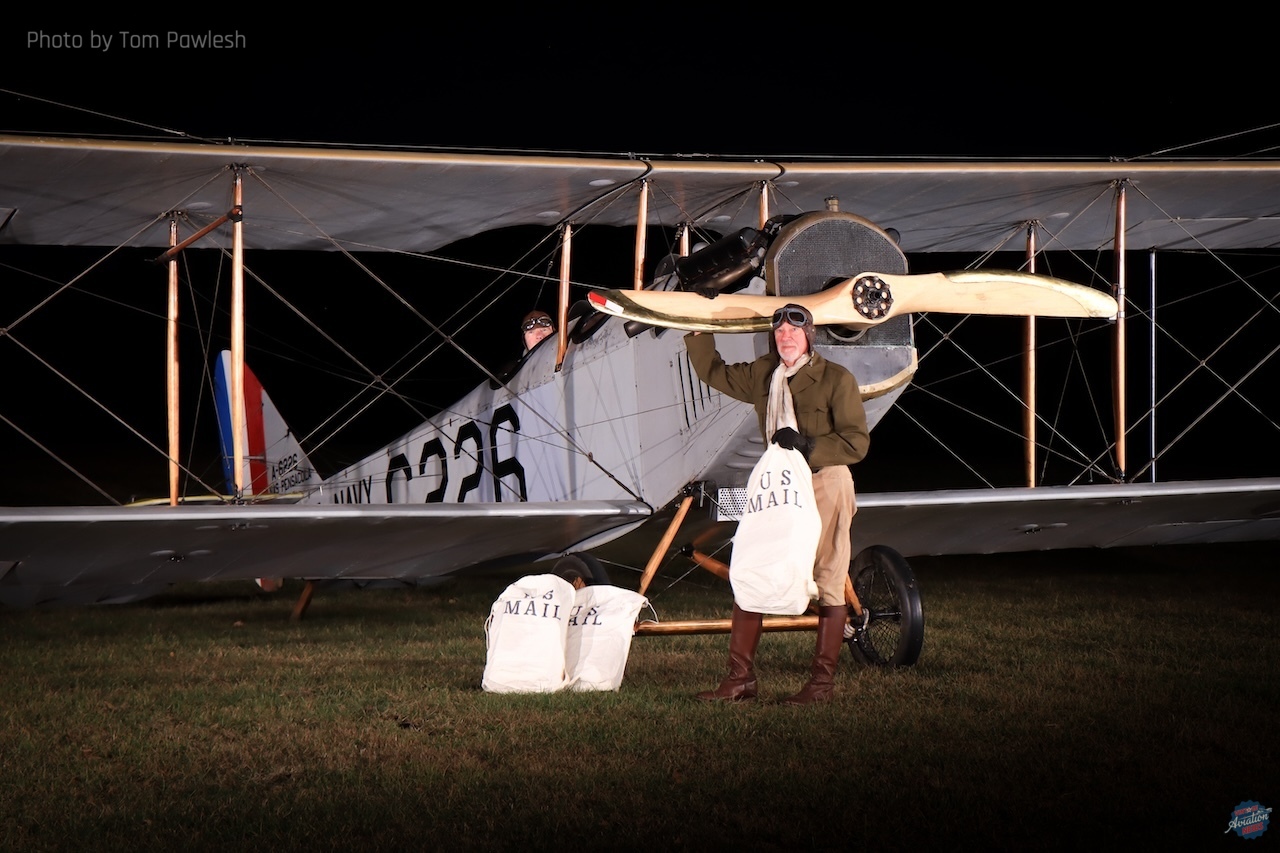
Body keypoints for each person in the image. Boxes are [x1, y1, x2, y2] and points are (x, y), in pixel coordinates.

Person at [684, 303, 869, 705]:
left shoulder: (836, 378)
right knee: (752, 566)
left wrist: (808, 446)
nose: (786, 336)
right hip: (779, 484)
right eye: (779, 330)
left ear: (809, 336)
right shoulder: (764, 375)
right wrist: (697, 325)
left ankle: (820, 686)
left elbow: (856, 442)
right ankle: (740, 680)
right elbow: (714, 372)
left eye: (794, 330)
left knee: (828, 577)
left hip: (824, 481)